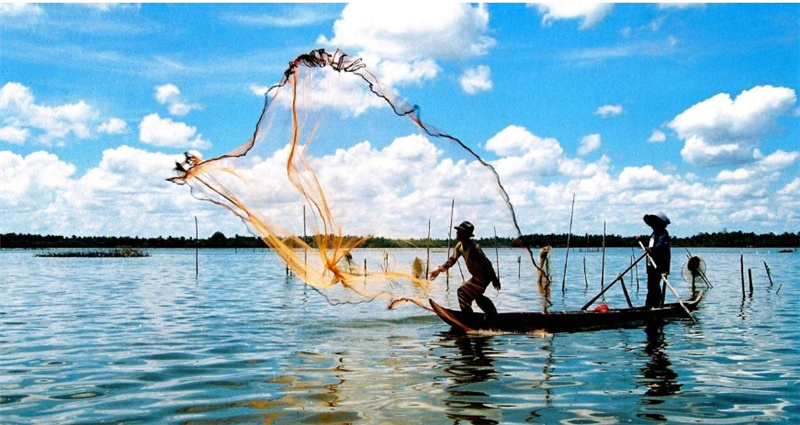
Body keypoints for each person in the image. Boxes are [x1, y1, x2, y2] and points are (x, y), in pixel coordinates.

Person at [430, 221, 501, 315]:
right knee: (477, 296)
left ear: (466, 235)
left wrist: (494, 279)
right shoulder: (460, 246)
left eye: (460, 231)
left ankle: (468, 316)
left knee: (462, 292)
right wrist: (439, 270)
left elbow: (487, 264)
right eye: (458, 231)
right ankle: (492, 315)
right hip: (476, 277)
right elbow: (452, 260)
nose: (457, 233)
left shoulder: (474, 249)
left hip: (484, 277)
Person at [642, 211, 671, 309]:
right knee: (651, 286)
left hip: (659, 265)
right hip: (651, 265)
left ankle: (655, 306)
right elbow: (652, 245)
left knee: (654, 286)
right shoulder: (653, 234)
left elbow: (661, 245)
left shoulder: (663, 234)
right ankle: (650, 306)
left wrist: (652, 249)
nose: (652, 226)